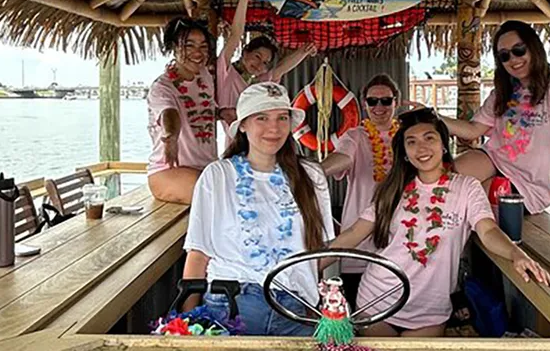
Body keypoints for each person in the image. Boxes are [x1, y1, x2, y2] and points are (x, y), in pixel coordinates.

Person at [326, 108, 550, 337]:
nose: (421, 148)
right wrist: (309, 266)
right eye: (411, 142)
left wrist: (515, 254)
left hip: (430, 312)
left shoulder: (467, 188)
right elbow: (354, 234)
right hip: (376, 301)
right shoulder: (391, 190)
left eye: (429, 138)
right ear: (404, 152)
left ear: (444, 145)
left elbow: (488, 230)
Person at [182, 82, 335, 336]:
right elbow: (198, 253)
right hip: (231, 303)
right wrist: (187, 321)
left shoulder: (311, 176)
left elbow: (319, 253)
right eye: (261, 117)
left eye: (281, 118)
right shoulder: (217, 175)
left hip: (295, 306)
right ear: (242, 125)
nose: (273, 128)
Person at [436, 21, 550, 229]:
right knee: (443, 182)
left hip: (529, 185)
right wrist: (432, 117)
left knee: (469, 200)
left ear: (534, 48)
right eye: (504, 55)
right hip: (495, 160)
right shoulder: (504, 90)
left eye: (519, 50)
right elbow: (474, 129)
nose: (513, 59)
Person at [320, 74, 400, 303]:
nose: (379, 107)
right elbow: (343, 158)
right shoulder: (354, 136)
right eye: (372, 101)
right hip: (358, 240)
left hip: (399, 239)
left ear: (396, 102)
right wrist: (314, 172)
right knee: (356, 310)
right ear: (364, 104)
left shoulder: (407, 137)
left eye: (386, 101)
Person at [217, 0, 316, 131]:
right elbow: (236, 35)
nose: (259, 64)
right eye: (257, 56)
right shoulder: (225, 72)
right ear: (245, 52)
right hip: (232, 142)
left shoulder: (258, 84)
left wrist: (304, 51)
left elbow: (281, 69)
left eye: (265, 62)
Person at [146, 17, 218, 204]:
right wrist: (171, 136)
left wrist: (223, 113)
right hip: (168, 172)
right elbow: (170, 114)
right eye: (189, 45)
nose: (197, 52)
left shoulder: (205, 77)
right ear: (174, 47)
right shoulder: (162, 87)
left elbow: (200, 113)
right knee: (213, 196)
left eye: (203, 46)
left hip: (206, 167)